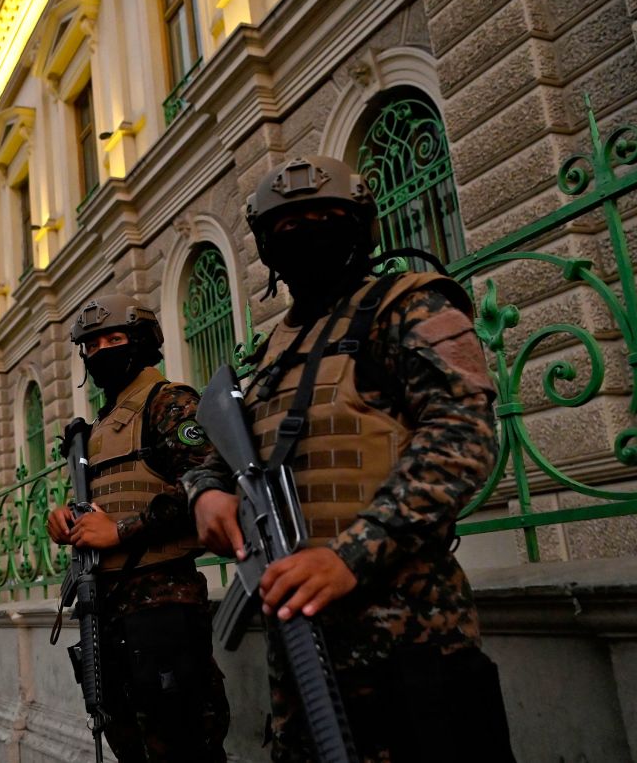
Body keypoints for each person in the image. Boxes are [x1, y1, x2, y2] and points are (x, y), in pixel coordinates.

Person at [183, 155, 514, 762]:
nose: (306, 233)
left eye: (325, 218)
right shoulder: (274, 349)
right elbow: (220, 455)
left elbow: (461, 438)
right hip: (300, 653)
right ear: (266, 248)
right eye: (286, 227)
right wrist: (206, 491)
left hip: (411, 645)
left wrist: (350, 556)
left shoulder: (412, 306)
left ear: (361, 227)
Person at [45, 294, 229, 762]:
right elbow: (115, 493)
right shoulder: (105, 423)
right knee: (127, 739)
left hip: (162, 603)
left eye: (115, 338)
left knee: (182, 742)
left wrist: (121, 532)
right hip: (108, 605)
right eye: (91, 344)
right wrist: (71, 516)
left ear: (142, 343)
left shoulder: (168, 401)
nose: (101, 350)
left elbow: (206, 482)